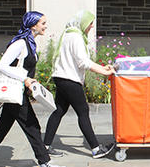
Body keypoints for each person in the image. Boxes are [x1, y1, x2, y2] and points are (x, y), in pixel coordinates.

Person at [0, 11, 66, 167]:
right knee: (32, 126)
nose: (45, 26)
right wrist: (25, 78)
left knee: (2, 127)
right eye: (43, 23)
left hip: (18, 91)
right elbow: (2, 66)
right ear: (33, 25)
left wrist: (30, 81)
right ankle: (45, 163)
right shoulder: (20, 43)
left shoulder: (30, 43)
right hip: (15, 91)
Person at [43, 10, 117, 159]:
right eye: (90, 24)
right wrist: (105, 72)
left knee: (58, 111)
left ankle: (45, 146)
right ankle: (96, 149)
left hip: (61, 77)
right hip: (70, 80)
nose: (91, 27)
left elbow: (80, 60)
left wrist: (103, 68)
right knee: (83, 111)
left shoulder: (67, 34)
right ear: (83, 23)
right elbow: (82, 62)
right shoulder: (76, 37)